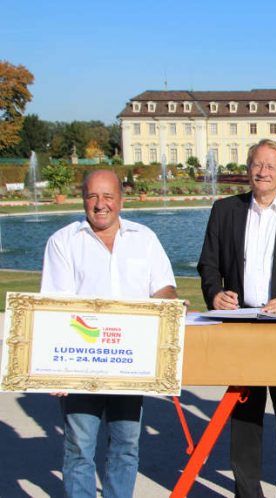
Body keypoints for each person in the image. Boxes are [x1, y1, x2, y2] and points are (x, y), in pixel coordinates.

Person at [197, 139, 276, 498]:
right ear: (248, 169)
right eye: (257, 164)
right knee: (244, 417)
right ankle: (247, 492)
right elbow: (208, 264)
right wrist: (215, 294)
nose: (262, 171)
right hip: (241, 325)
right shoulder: (225, 210)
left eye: (270, 166)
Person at [41, 169, 178, 498]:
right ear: (83, 199)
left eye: (108, 197)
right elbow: (53, 306)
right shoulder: (62, 241)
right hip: (80, 365)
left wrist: (171, 306)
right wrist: (53, 371)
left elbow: (164, 288)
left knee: (126, 447)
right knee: (79, 450)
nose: (100, 204)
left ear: (121, 200)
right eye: (92, 196)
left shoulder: (144, 238)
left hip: (130, 364)